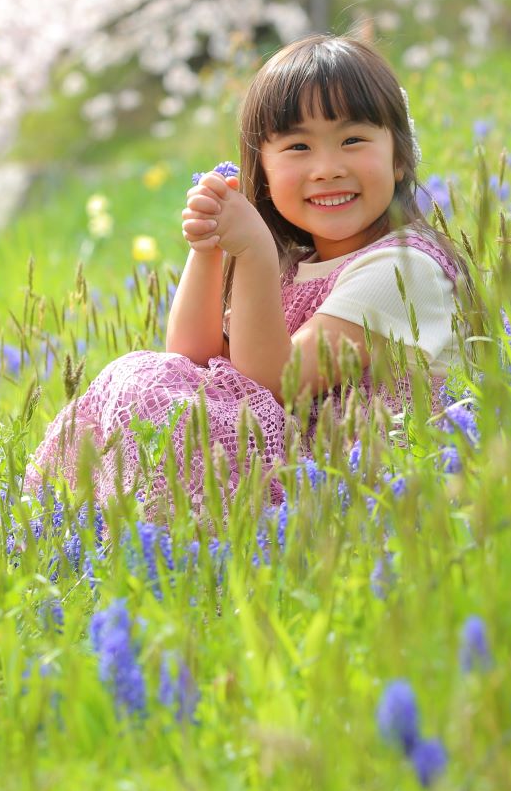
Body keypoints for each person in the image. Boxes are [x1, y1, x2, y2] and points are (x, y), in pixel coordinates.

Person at [25, 33, 468, 514]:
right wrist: (209, 250)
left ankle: (161, 535)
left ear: (399, 157)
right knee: (144, 379)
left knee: (157, 394)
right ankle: (120, 530)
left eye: (352, 140)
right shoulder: (295, 268)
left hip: (355, 491)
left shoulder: (403, 267)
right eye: (298, 146)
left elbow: (275, 380)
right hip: (295, 475)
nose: (326, 168)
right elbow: (189, 359)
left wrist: (255, 251)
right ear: (263, 171)